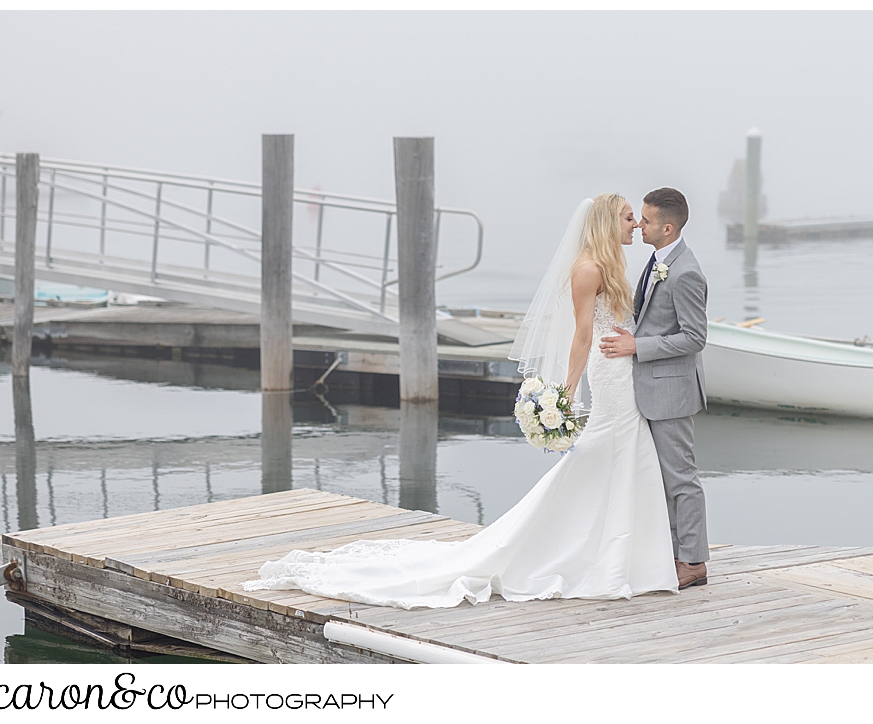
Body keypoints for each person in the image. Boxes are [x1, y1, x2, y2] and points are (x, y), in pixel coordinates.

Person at [243, 194, 679, 609]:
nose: (635, 224)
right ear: (606, 222)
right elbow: (583, 333)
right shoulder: (587, 269)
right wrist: (566, 392)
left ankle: (628, 555)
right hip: (610, 375)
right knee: (598, 456)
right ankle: (569, 546)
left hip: (624, 370)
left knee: (625, 458)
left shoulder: (616, 266)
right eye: (627, 217)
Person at [599, 188, 710, 589]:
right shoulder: (657, 260)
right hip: (648, 388)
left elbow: (695, 338)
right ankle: (671, 553)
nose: (639, 226)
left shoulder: (685, 271)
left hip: (671, 391)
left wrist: (636, 346)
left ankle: (694, 562)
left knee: (681, 479)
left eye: (645, 221)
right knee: (660, 479)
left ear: (667, 227)